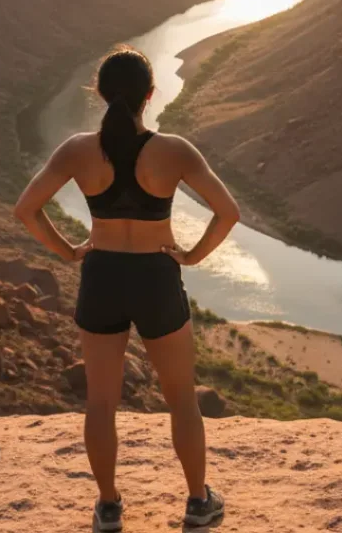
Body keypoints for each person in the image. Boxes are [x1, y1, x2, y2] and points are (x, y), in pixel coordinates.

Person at [14, 45, 241, 531]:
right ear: (150, 94)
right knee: (181, 398)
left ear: (98, 93)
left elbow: (25, 209)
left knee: (100, 401)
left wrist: (69, 251)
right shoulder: (174, 150)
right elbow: (229, 212)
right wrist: (191, 256)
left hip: (102, 276)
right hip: (156, 277)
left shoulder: (76, 149)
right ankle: (199, 503)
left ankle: (109, 507)